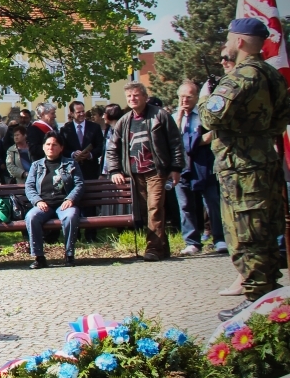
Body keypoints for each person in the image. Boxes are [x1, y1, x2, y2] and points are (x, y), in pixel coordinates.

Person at [199, 17, 290, 320]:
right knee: (265, 230)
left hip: (241, 170)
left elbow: (212, 118)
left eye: (228, 40)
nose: (226, 46)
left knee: (247, 233)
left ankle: (257, 301)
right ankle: (268, 296)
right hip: (265, 161)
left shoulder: (241, 76)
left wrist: (204, 99)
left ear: (239, 41)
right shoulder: (273, 76)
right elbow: (280, 121)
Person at [106, 82, 185, 262]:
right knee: (146, 211)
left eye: (136, 95)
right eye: (129, 97)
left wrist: (176, 168)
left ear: (144, 97)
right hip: (134, 173)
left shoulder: (160, 116)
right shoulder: (124, 121)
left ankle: (152, 249)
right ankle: (162, 248)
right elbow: (112, 148)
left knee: (155, 208)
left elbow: (175, 142)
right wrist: (115, 170)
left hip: (156, 170)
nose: (132, 99)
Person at [172, 81, 225, 256]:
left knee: (212, 202)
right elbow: (173, 139)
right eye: (182, 97)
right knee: (185, 204)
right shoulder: (173, 117)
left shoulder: (204, 115)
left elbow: (211, 134)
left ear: (197, 98)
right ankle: (192, 242)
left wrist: (192, 142)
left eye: (189, 96)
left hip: (204, 165)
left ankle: (220, 239)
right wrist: (179, 118)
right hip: (182, 166)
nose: (185, 100)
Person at [25, 132, 84, 269]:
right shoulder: (36, 166)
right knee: (31, 216)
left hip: (64, 204)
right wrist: (38, 201)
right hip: (43, 204)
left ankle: (69, 255)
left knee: (70, 216)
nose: (51, 147)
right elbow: (29, 187)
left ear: (61, 148)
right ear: (43, 147)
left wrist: (71, 198)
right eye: (48, 144)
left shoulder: (70, 164)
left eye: (55, 144)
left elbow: (79, 184)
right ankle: (39, 257)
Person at [61, 100, 104, 241]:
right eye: (78, 112)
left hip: (90, 169)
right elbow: (63, 149)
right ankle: (75, 234)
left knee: (91, 202)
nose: (81, 114)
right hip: (73, 171)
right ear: (72, 113)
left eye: (83, 111)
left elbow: (100, 146)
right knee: (74, 201)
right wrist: (73, 154)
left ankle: (91, 235)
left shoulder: (94, 127)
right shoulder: (65, 129)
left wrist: (90, 154)